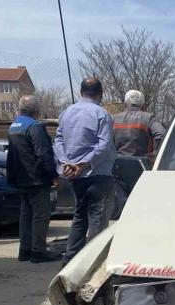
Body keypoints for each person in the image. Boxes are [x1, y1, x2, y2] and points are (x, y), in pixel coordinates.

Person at [54, 77, 116, 266]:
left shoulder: (66, 113)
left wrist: (66, 163)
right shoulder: (101, 114)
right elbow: (104, 145)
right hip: (98, 174)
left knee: (80, 217)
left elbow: (58, 140)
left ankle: (70, 259)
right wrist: (84, 164)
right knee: (98, 219)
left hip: (74, 176)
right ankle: (92, 263)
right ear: (100, 94)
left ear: (81, 92)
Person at [6, 95, 61, 263]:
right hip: (37, 179)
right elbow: (44, 154)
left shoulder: (14, 126)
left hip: (21, 178)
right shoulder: (35, 127)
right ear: (36, 110)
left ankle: (25, 250)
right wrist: (53, 175)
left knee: (26, 214)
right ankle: (38, 251)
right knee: (41, 215)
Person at [112, 90, 166, 161]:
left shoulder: (114, 118)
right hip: (141, 162)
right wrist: (155, 153)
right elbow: (162, 133)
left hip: (117, 161)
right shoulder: (148, 118)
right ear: (142, 105)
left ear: (125, 104)